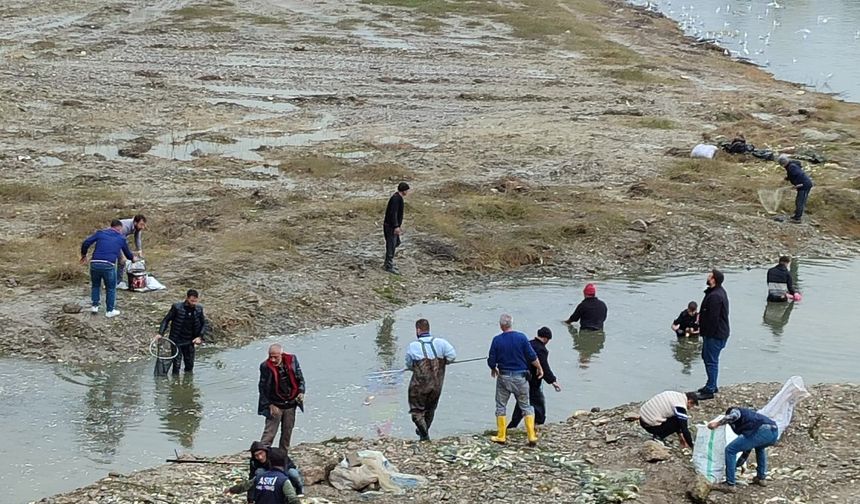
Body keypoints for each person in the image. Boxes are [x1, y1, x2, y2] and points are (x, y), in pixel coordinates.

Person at [487, 314, 543, 446]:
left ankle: (501, 436)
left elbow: (491, 360)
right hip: (521, 377)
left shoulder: (497, 340)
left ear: (501, 326)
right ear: (511, 324)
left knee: (501, 406)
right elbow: (531, 356)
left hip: (504, 377)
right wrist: (539, 368)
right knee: (526, 406)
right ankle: (531, 436)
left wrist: (493, 368)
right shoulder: (521, 337)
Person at [405, 318, 456, 441]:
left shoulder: (413, 346)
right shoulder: (442, 343)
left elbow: (408, 364)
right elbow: (452, 356)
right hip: (437, 385)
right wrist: (444, 362)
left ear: (418, 330)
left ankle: (424, 435)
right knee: (430, 410)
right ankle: (424, 431)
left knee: (416, 412)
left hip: (419, 386)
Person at [707, 407, 778, 491]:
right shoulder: (749, 420)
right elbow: (747, 448)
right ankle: (761, 478)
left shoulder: (735, 411)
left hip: (762, 430)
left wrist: (717, 423)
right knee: (760, 448)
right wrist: (738, 463)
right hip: (773, 431)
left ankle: (730, 484)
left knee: (730, 450)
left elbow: (733, 416)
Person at [80, 219, 137, 318]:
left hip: (94, 263)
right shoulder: (121, 238)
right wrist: (133, 259)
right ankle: (110, 310)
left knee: (96, 285)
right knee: (111, 288)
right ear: (119, 228)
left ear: (111, 226)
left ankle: (95, 306)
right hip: (108, 265)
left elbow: (86, 242)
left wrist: (84, 255)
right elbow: (127, 254)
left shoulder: (100, 233)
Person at [509, 327, 561, 429]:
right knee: (539, 404)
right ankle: (538, 425)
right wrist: (553, 381)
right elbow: (544, 366)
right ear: (546, 339)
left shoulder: (527, 344)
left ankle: (511, 426)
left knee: (521, 403)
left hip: (520, 379)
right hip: (532, 382)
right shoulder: (541, 349)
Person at [258, 344, 306, 451]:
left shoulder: (292, 360)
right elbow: (262, 388)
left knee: (287, 432)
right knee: (269, 433)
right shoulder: (265, 366)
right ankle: (262, 453)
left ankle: (283, 456)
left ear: (281, 354)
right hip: (275, 404)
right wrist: (269, 404)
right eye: (271, 357)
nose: (273, 359)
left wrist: (301, 392)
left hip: (291, 403)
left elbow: (300, 378)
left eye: (276, 357)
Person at [226, 442, 304, 502]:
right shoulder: (282, 481)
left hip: (283, 473)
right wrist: (250, 499)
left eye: (261, 454)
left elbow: (246, 485)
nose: (260, 457)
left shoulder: (276, 455)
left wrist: (231, 490)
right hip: (275, 478)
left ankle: (299, 489)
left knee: (293, 474)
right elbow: (292, 499)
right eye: (256, 455)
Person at [154, 289, 207, 376]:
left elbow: (203, 324)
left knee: (189, 365)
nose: (193, 303)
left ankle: (188, 385)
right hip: (176, 340)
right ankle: (175, 383)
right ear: (187, 298)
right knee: (176, 365)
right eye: (191, 301)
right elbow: (166, 320)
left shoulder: (199, 309)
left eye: (195, 301)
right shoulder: (177, 307)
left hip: (190, 341)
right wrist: (160, 333)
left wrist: (200, 337)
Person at [697, 269, 729, 400]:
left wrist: (706, 333)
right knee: (707, 357)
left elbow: (713, 318)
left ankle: (710, 389)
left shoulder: (715, 296)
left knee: (711, 361)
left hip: (715, 334)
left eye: (710, 276)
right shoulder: (716, 292)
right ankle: (711, 384)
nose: (707, 277)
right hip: (715, 333)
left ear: (714, 279)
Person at [383, 182, 410, 274]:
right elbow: (393, 214)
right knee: (391, 245)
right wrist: (396, 226)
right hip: (390, 226)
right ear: (404, 190)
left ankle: (388, 262)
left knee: (396, 243)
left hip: (392, 226)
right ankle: (388, 265)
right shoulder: (396, 199)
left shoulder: (398, 198)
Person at [777, 155, 814, 223]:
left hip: (804, 185)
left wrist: (799, 185)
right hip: (803, 184)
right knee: (799, 201)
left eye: (781, 164)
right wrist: (786, 179)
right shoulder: (790, 165)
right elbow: (791, 175)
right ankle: (797, 214)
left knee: (800, 201)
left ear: (783, 163)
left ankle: (798, 218)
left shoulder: (792, 167)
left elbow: (799, 175)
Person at [116, 214, 147, 285]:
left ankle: (119, 280)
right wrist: (124, 255)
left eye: (144, 225)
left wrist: (139, 250)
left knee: (125, 259)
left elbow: (137, 238)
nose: (143, 227)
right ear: (135, 222)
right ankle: (117, 282)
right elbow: (120, 241)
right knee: (122, 260)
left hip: (120, 240)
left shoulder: (138, 228)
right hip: (113, 240)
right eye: (141, 224)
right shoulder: (124, 227)